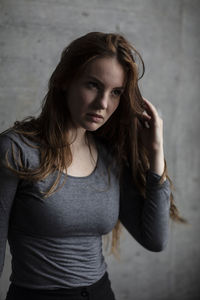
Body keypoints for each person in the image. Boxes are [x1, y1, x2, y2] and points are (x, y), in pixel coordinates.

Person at [0, 31, 186, 300]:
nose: (103, 103)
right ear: (65, 80)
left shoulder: (109, 155)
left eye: (116, 93)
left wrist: (155, 152)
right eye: (93, 85)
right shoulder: (16, 150)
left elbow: (155, 240)